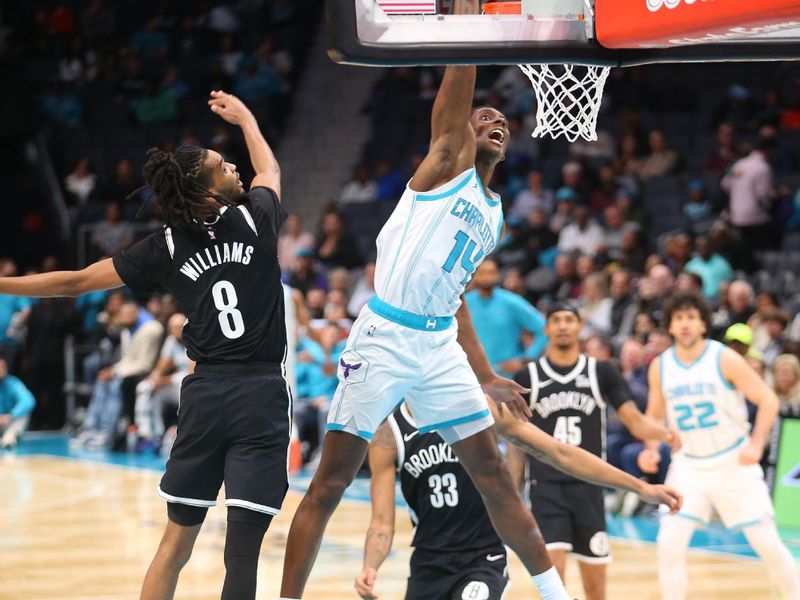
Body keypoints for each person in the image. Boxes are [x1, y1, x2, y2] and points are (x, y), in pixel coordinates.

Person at [281, 3, 571, 597]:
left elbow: (456, 298)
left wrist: (486, 374)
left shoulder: (494, 217)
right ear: (459, 132)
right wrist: (468, 25)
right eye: (482, 117)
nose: (495, 123)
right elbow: (454, 109)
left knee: (492, 472)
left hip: (438, 345)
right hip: (384, 336)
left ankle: (554, 593)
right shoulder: (440, 171)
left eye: (503, 123)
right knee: (331, 482)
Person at [0, 90, 287, 600]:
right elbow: (271, 170)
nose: (236, 169)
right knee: (241, 553)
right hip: (260, 395)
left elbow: (75, 282)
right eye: (224, 168)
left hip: (204, 396)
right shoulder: (255, 218)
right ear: (209, 194)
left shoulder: (166, 246)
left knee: (175, 544)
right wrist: (246, 118)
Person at [355, 401, 681, 600]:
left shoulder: (480, 408)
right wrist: (371, 565)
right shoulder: (389, 434)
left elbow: (560, 453)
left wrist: (641, 488)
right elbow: (381, 523)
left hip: (483, 558)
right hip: (428, 562)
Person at [638, 291, 800, 600]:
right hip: (688, 465)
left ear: (702, 324)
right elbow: (654, 416)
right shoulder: (660, 366)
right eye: (679, 318)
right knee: (669, 544)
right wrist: (649, 447)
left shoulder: (722, 357)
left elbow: (767, 400)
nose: (685, 324)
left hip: (732, 462)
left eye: (691, 317)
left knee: (767, 543)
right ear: (670, 326)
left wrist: (756, 443)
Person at [511, 302, 675, 600]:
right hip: (545, 486)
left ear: (579, 327)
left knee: (596, 587)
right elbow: (515, 440)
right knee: (553, 584)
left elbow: (635, 422)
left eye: (569, 320)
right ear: (546, 329)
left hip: (591, 486)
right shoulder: (527, 378)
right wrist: (511, 489)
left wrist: (665, 433)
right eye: (556, 320)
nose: (562, 325)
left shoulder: (601, 372)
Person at [465, 258, 547, 377]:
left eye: (491, 272)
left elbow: (544, 328)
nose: (486, 277)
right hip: (472, 375)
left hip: (507, 377)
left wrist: (525, 359)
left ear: (498, 275)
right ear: (474, 275)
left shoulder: (512, 302)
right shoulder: (465, 303)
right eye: (482, 272)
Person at [0, 355, 36, 449]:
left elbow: (29, 401)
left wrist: (11, 415)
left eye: (3, 367)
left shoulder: (13, 382)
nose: (1, 370)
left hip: (9, 424)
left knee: (24, 414)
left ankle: (10, 437)